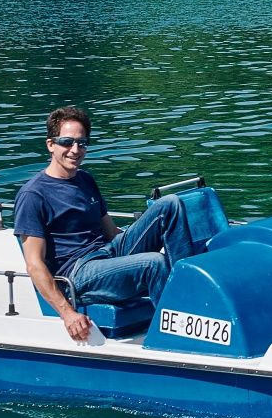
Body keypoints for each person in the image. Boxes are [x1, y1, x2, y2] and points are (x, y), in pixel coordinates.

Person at [15, 106, 216, 343]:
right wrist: (67, 313)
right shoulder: (33, 195)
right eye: (67, 142)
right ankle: (181, 333)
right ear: (51, 144)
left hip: (106, 253)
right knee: (153, 264)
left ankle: (191, 289)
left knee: (170, 204)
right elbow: (34, 265)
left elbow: (111, 233)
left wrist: (141, 249)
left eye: (82, 143)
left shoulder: (85, 179)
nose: (75, 150)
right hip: (79, 273)